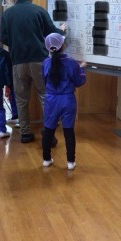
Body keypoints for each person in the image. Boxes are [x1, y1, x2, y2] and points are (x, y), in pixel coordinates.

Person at [0, 0, 66, 143]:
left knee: (21, 99)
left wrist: (16, 45)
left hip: (18, 61)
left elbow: (4, 38)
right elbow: (52, 33)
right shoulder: (39, 11)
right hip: (39, 61)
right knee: (44, 95)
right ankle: (48, 134)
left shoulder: (7, 14)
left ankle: (25, 133)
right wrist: (62, 30)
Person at [41, 33, 86, 170]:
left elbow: (45, 80)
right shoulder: (71, 62)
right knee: (68, 130)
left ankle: (46, 159)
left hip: (51, 99)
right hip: (67, 99)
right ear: (63, 45)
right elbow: (79, 81)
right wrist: (81, 68)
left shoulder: (46, 63)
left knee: (49, 129)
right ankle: (70, 162)